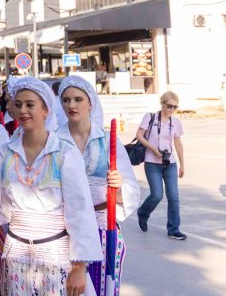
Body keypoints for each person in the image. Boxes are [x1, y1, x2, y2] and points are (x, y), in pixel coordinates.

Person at [0, 77, 101, 296]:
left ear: (45, 110)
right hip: (16, 255)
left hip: (56, 256)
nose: (23, 110)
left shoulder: (64, 153)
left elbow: (80, 210)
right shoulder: (5, 153)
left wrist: (79, 266)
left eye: (30, 104)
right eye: (18, 104)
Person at [58, 75, 140, 296]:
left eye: (77, 99)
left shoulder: (107, 140)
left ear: (90, 103)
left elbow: (131, 193)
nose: (71, 105)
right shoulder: (54, 141)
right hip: (63, 232)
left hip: (104, 230)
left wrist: (118, 187)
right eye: (66, 100)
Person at [135, 91, 186, 239]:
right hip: (152, 162)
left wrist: (182, 164)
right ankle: (143, 213)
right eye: (169, 106)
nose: (171, 109)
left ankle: (173, 229)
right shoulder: (150, 117)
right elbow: (139, 135)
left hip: (170, 163)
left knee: (174, 197)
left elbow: (178, 143)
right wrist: (153, 149)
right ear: (162, 103)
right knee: (157, 195)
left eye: (175, 107)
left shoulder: (175, 122)